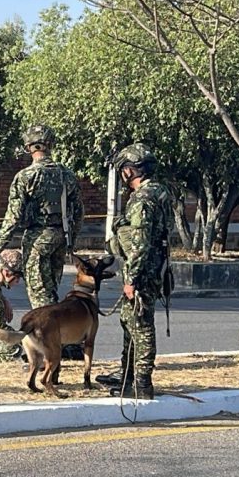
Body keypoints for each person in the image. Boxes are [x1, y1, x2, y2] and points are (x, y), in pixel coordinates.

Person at [0, 124, 84, 358]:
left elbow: (13, 216)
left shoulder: (26, 176)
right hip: (60, 238)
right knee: (51, 293)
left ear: (28, 147)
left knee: (41, 300)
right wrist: (71, 240)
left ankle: (50, 352)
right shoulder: (66, 174)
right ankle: (65, 344)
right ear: (50, 145)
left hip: (37, 239)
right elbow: (78, 211)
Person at [100, 143, 171, 400]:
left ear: (130, 171)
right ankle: (128, 377)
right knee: (129, 321)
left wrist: (131, 279)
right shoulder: (160, 192)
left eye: (123, 169)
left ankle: (142, 384)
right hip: (154, 268)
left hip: (142, 271)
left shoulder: (142, 199)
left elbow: (140, 243)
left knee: (140, 325)